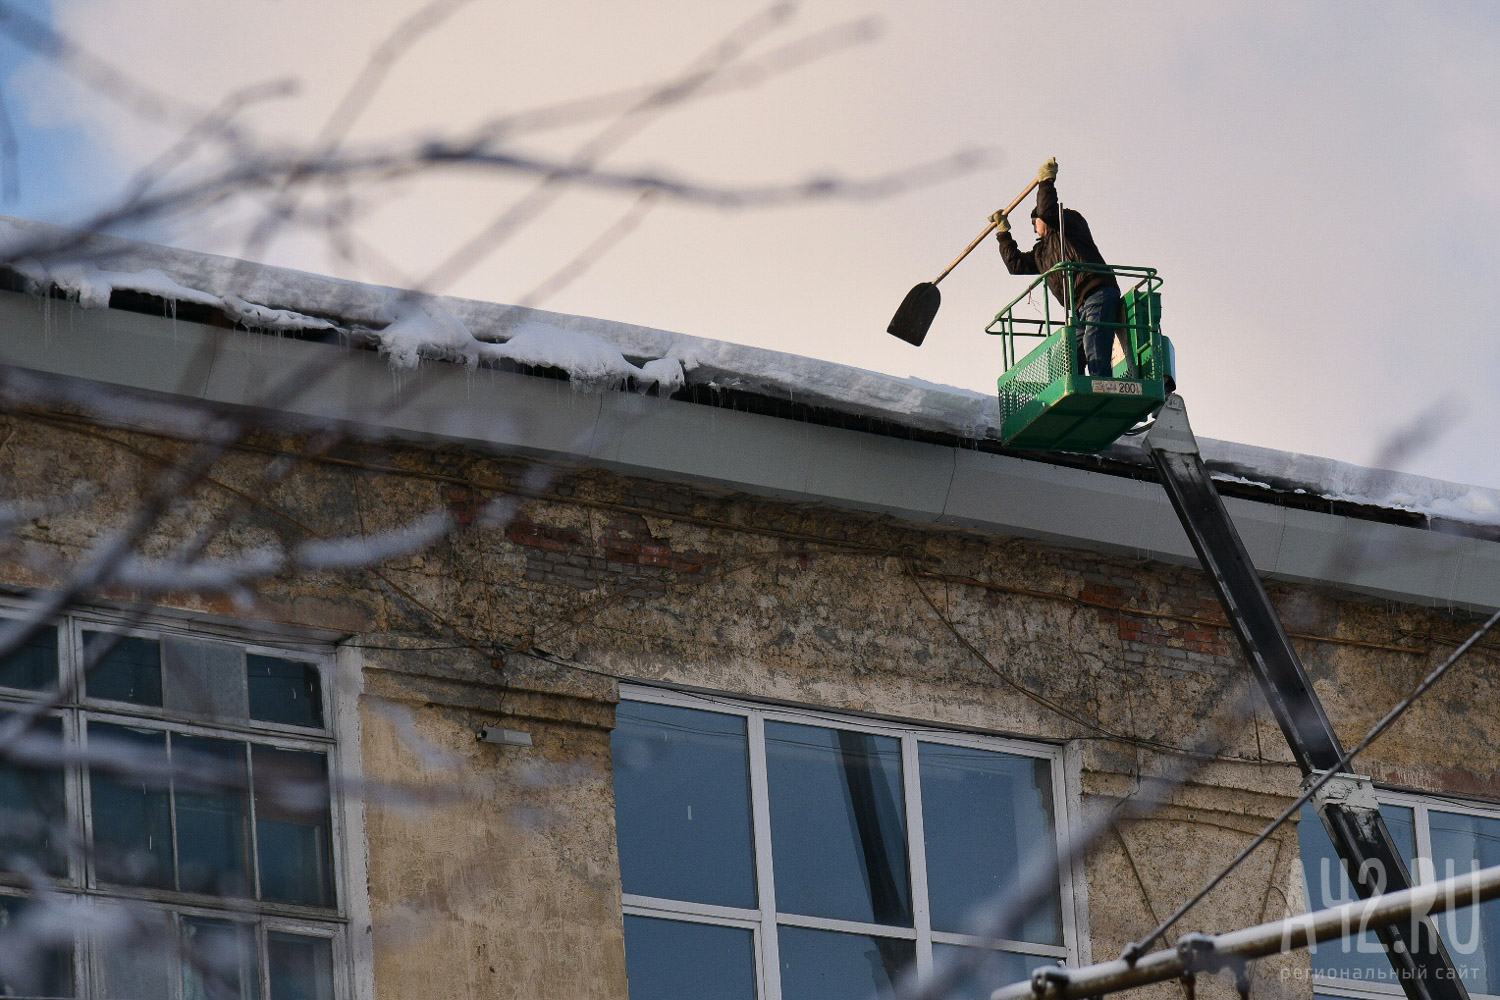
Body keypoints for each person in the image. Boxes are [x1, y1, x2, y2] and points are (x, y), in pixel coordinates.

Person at [991, 158, 1121, 377]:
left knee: (1093, 341)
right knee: (1070, 354)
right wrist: (1003, 234)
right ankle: (1080, 390)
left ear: (1041, 217)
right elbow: (1016, 265)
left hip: (1096, 291)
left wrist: (1046, 182)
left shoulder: (1070, 223)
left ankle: (1101, 384)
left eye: (1034, 223)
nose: (1033, 229)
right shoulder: (1043, 253)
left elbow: (1049, 211)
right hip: (1079, 306)